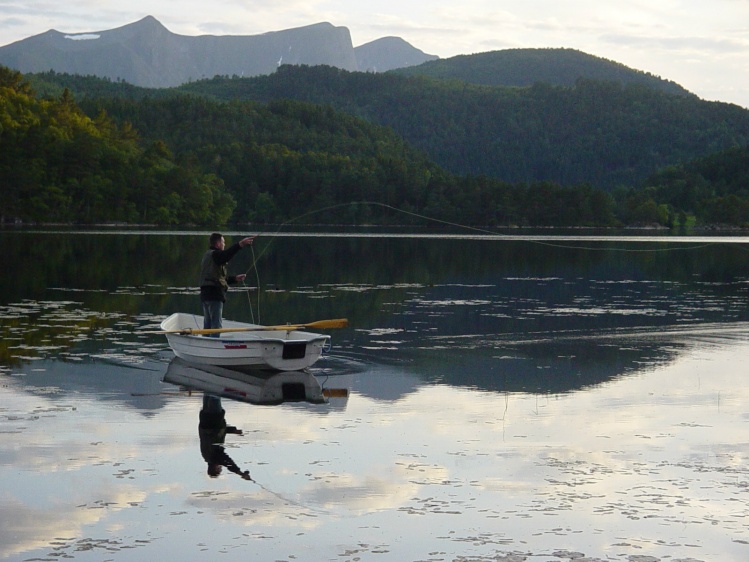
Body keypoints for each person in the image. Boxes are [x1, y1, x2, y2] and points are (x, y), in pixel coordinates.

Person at [199, 232, 255, 332]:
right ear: (217, 244)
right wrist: (240, 244)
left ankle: (207, 344)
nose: (224, 245)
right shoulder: (216, 255)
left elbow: (216, 278)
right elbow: (226, 255)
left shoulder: (208, 255)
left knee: (208, 325)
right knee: (216, 326)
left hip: (205, 295)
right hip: (214, 295)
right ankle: (214, 345)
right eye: (223, 242)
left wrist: (235, 279)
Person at [198, 394, 252, 480]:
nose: (221, 467)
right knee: (208, 391)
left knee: (215, 392)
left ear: (215, 468)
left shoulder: (214, 458)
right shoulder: (206, 455)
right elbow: (215, 434)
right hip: (204, 418)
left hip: (214, 418)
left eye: (219, 469)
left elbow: (228, 462)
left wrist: (240, 473)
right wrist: (233, 431)